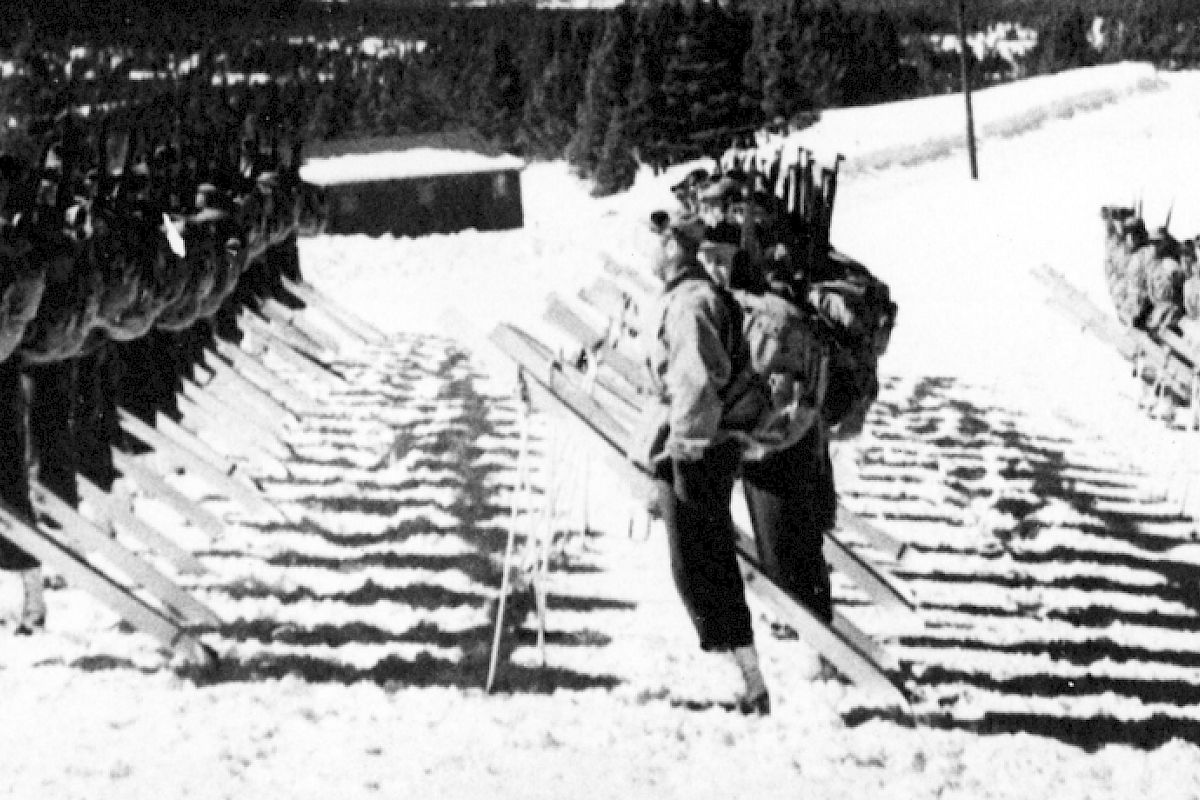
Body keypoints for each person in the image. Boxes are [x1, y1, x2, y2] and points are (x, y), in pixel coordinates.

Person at [634, 208, 772, 715]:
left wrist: (685, 453)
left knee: (699, 565)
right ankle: (744, 673)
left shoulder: (691, 304)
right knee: (703, 562)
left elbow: (695, 382)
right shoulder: (688, 298)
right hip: (702, 447)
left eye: (655, 242)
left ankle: (743, 678)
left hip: (700, 450)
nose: (650, 252)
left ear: (672, 248)